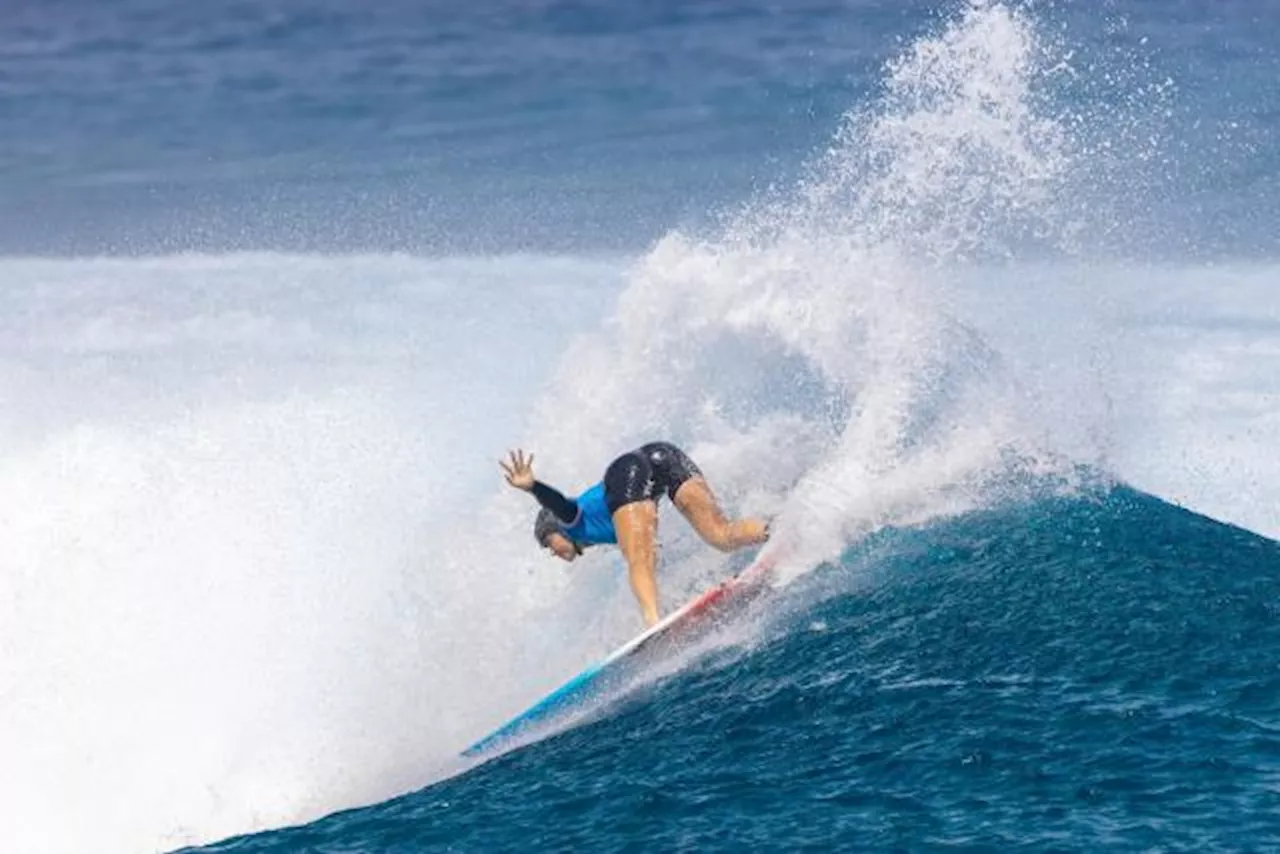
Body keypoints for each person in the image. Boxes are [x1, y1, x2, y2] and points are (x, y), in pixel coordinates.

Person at [500, 441, 769, 628]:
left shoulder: (572, 521)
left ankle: (653, 623)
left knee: (639, 558)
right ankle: (775, 529)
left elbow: (557, 501)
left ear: (557, 527)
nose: (552, 552)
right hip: (664, 456)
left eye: (548, 542)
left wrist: (534, 487)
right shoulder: (603, 524)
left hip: (627, 470)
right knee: (721, 536)